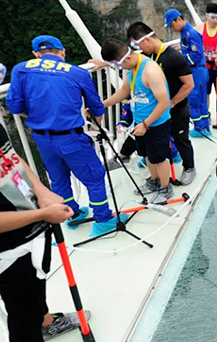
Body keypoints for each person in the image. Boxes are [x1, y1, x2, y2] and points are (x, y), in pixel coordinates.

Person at [5, 35, 121, 237]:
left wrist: (40, 117)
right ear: (63, 52)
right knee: (94, 177)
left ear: (36, 54)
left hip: (42, 138)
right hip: (71, 137)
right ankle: (103, 220)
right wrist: (96, 127)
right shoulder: (76, 73)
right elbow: (96, 107)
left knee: (58, 179)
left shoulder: (21, 69)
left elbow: (14, 106)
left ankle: (71, 214)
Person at [0, 119, 91, 341]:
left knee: (34, 288)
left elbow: (10, 156)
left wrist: (41, 192)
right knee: (23, 319)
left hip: (30, 233)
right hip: (8, 253)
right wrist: (41, 214)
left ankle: (46, 321)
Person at [100, 38, 174, 204]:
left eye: (118, 66)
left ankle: (165, 187)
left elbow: (164, 103)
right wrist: (102, 104)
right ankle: (154, 180)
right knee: (146, 154)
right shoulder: (130, 69)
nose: (120, 69)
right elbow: (125, 91)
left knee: (159, 157)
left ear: (126, 58)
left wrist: (146, 124)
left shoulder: (150, 71)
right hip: (140, 122)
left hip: (156, 122)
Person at [127, 22, 198, 185]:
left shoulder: (174, 57)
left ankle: (189, 168)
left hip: (176, 107)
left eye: (139, 45)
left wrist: (172, 102)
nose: (140, 49)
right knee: (158, 140)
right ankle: (157, 168)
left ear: (147, 40)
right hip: (158, 110)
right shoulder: (148, 57)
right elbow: (127, 57)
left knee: (181, 139)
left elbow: (189, 84)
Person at [165, 9, 211, 137]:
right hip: (201, 70)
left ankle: (199, 128)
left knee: (194, 99)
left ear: (179, 19)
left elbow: (196, 55)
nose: (173, 29)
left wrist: (180, 58)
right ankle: (205, 126)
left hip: (196, 70)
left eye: (172, 25)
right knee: (201, 99)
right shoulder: (186, 33)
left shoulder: (190, 33)